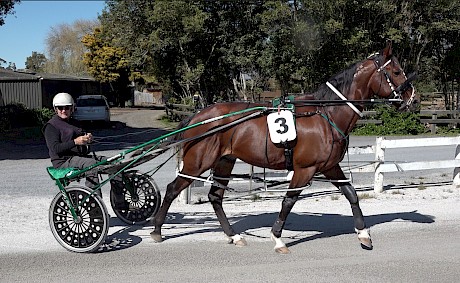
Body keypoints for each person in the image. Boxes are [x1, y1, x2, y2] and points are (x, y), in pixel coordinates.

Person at [43, 92, 128, 210]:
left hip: (78, 158)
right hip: (63, 162)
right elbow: (55, 148)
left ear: (72, 108)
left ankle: (120, 203)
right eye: (60, 108)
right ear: (55, 109)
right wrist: (75, 142)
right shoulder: (51, 126)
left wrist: (88, 139)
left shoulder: (74, 123)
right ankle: (95, 208)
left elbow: (82, 139)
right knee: (91, 166)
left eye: (67, 107)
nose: (64, 110)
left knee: (113, 163)